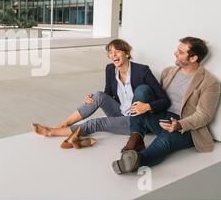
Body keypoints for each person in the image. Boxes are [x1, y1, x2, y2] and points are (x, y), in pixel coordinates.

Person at [32, 39, 170, 148]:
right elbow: (107, 94)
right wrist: (91, 100)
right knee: (98, 95)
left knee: (97, 123)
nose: (113, 55)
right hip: (121, 112)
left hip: (136, 120)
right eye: (110, 52)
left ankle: (51, 132)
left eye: (117, 51)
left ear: (127, 53)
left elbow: (164, 100)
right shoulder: (110, 69)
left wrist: (146, 107)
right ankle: (64, 124)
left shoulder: (142, 71)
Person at [113, 37, 221, 174]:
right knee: (142, 90)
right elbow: (160, 99)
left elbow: (204, 115)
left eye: (180, 52)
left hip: (186, 127)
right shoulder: (168, 72)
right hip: (162, 117)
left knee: (165, 140)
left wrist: (179, 124)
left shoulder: (210, 82)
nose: (175, 53)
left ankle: (137, 161)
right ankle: (136, 137)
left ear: (193, 58)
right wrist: (146, 107)